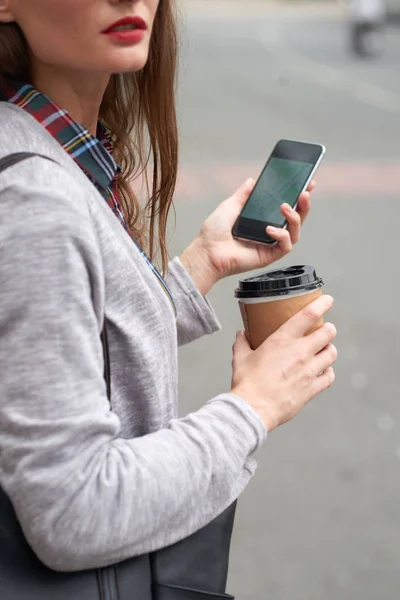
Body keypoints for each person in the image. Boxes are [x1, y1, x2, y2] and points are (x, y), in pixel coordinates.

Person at [0, 0, 337, 596]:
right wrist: (253, 406)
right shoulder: (37, 200)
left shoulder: (47, 146)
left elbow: (78, 347)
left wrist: (200, 266)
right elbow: (73, 511)